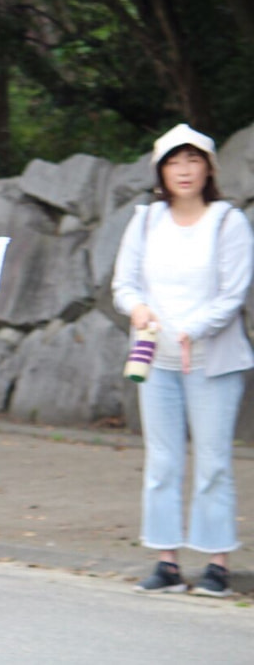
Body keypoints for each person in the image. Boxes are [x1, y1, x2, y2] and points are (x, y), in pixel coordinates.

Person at [111, 123, 252, 598]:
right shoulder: (146, 220)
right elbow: (124, 285)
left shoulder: (228, 221)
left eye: (193, 160)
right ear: (160, 170)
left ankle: (216, 563)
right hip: (156, 360)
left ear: (209, 168)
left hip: (214, 361)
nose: (184, 170)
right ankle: (166, 561)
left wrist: (196, 330)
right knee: (162, 460)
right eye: (174, 161)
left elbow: (233, 294)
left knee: (212, 462)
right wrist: (139, 309)